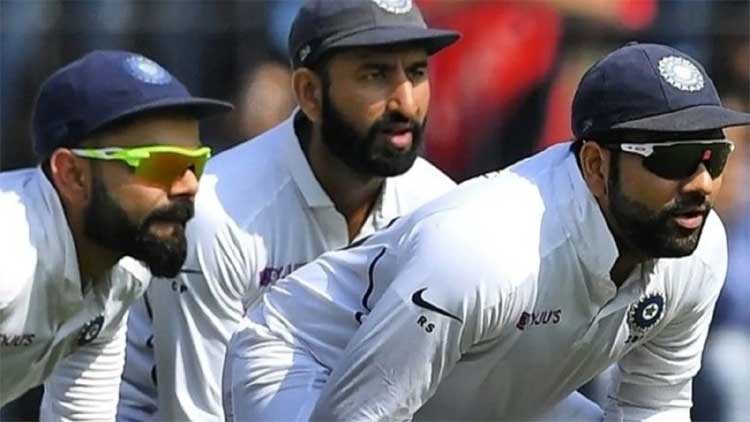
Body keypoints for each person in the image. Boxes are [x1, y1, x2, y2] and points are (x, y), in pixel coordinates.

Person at [225, 42, 750, 420]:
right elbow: (359, 414)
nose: (702, 183)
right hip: (311, 367)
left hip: (475, 377)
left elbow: (654, 403)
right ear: (595, 165)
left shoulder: (698, 246)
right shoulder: (486, 250)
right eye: (673, 159)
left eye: (714, 156)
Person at [117, 0, 460, 420]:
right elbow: (197, 414)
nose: (405, 102)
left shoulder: (438, 209)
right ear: (310, 94)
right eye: (375, 75)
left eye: (417, 72)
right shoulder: (217, 215)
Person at [0, 50, 231, 420]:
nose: (189, 185)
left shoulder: (123, 274)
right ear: (73, 175)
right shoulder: (9, 254)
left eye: (195, 164)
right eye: (162, 164)